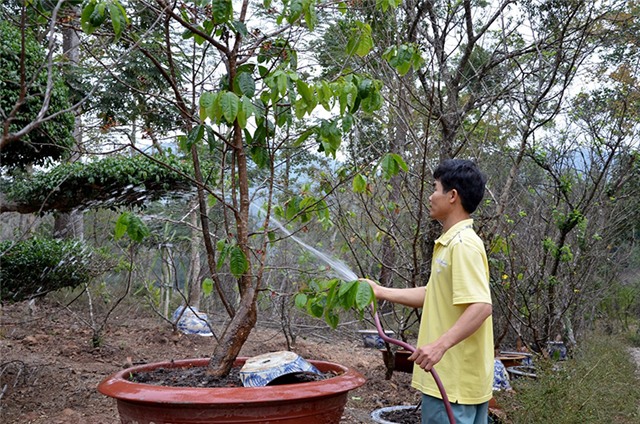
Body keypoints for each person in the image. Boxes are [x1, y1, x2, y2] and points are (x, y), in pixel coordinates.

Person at [361, 159, 493, 424]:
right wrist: (381, 291)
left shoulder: (462, 244)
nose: (431, 196)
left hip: (452, 381)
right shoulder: (451, 242)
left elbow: (481, 306)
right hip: (456, 382)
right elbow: (434, 294)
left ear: (452, 196)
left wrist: (439, 346)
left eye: (435, 188)